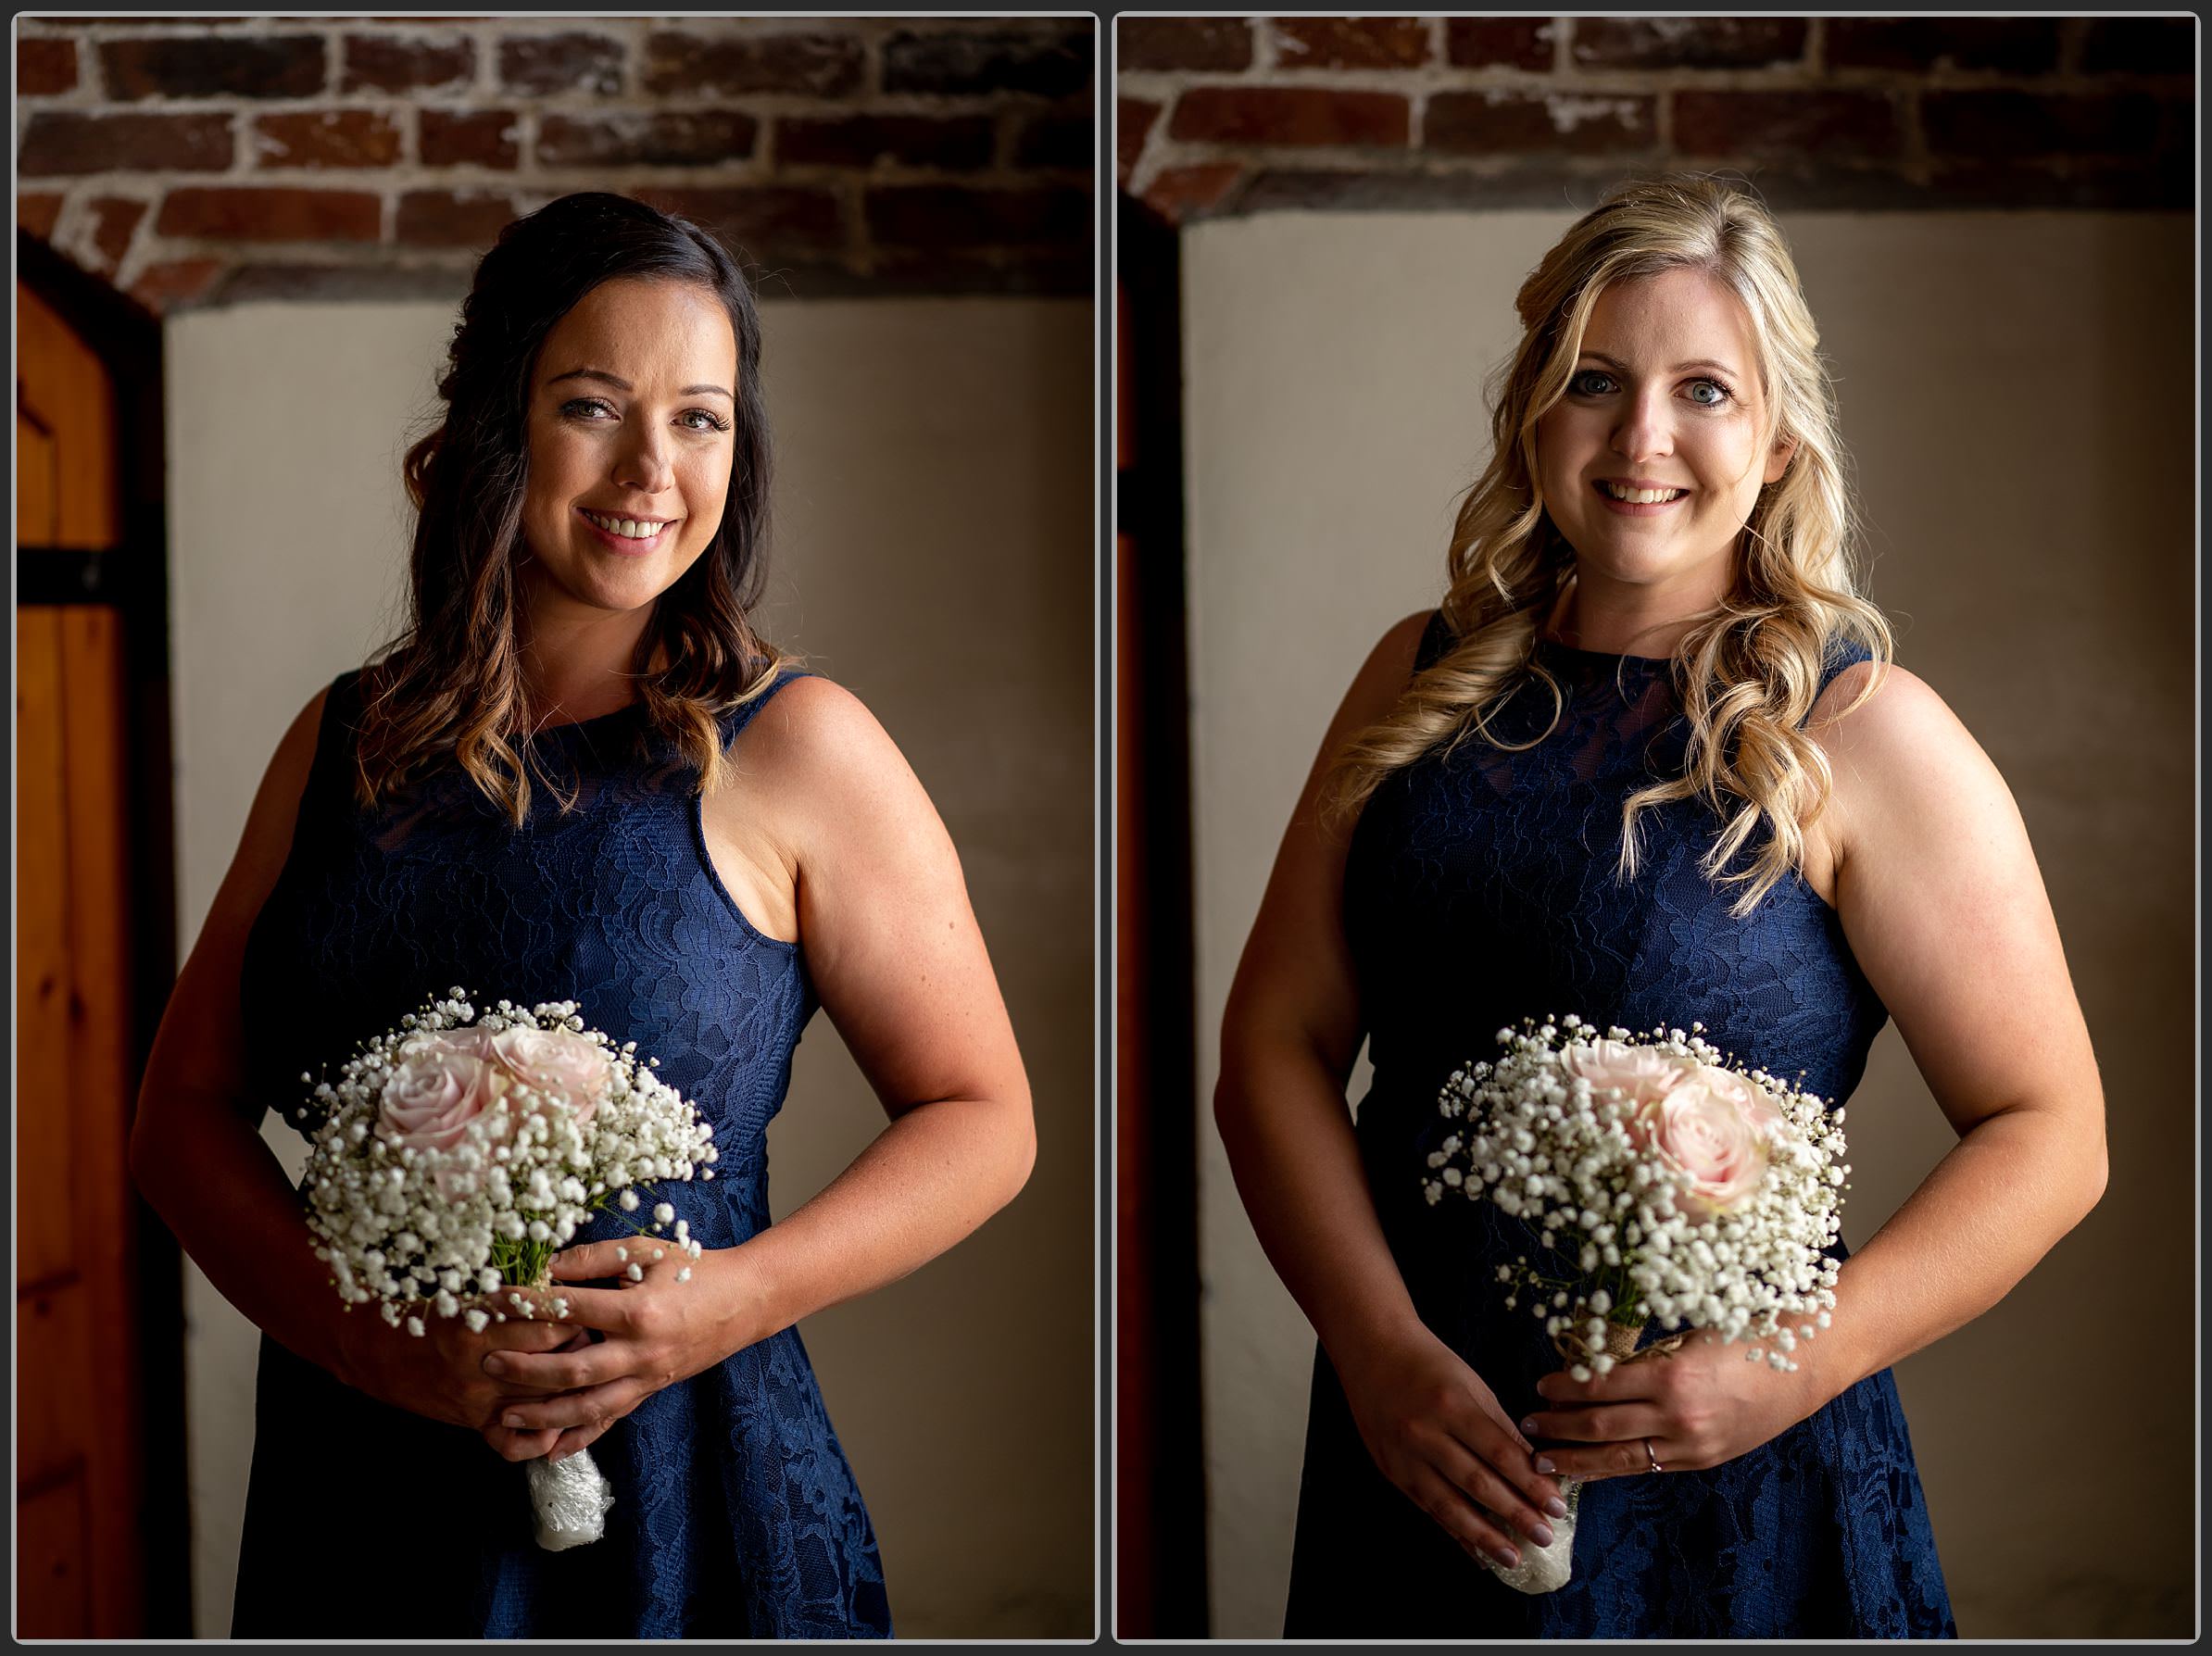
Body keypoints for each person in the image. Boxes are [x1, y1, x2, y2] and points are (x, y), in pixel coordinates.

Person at [129, 192, 1036, 1638]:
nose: (651, 470)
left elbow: (986, 1116)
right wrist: (375, 1349)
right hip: (359, 1492)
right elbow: (180, 1113)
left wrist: (726, 1301)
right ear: (498, 422)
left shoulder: (796, 746)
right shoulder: (341, 744)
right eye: (594, 405)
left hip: (682, 1486)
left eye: (702, 420)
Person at [1213, 174, 2105, 1637]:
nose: (1643, 439)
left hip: (1733, 1474)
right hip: (1424, 1449)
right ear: (1534, 418)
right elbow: (1275, 1049)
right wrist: (1378, 1351)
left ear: (1779, 436)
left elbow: (2056, 1134)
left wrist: (1798, 1365)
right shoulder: (1416, 678)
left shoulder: (1866, 735)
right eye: (1596, 384)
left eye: (1704, 390)